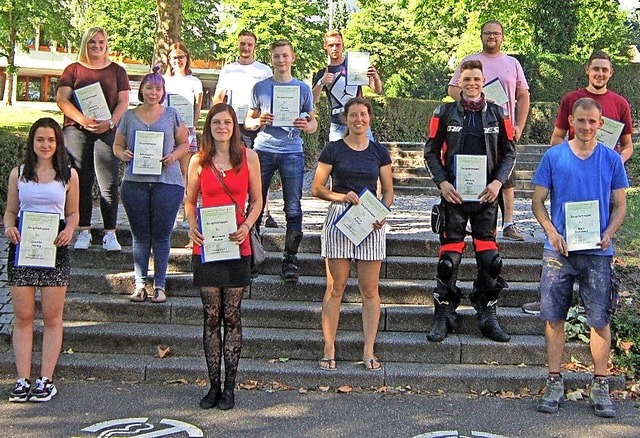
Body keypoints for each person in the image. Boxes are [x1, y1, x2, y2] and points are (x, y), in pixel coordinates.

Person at [532, 98, 627, 417]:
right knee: (553, 318)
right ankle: (554, 381)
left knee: (599, 320)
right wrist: (551, 232)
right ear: (571, 121)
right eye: (581, 121)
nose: (587, 127)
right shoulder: (553, 156)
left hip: (597, 252)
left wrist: (609, 232)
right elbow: (538, 203)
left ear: (601, 124)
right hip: (559, 251)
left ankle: (600, 383)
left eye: (593, 122)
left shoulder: (612, 159)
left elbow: (621, 205)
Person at [522, 50, 634, 316]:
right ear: (588, 70)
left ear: (611, 73)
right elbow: (557, 138)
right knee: (564, 243)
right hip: (572, 176)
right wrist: (574, 159)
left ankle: (589, 301)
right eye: (596, 69)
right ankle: (553, 301)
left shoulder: (620, 103)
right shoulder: (571, 99)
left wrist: (612, 161)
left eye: (605, 70)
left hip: (604, 178)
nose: (600, 74)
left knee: (597, 241)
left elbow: (628, 146)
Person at [424, 60, 516, 343]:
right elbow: (429, 152)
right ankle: (444, 312)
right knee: (447, 261)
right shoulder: (444, 112)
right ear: (460, 81)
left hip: (486, 198)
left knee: (491, 260)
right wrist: (442, 183)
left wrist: (497, 183)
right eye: (467, 79)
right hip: (453, 197)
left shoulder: (499, 114)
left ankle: (487, 312)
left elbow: (510, 154)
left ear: (484, 80)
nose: (472, 83)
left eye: (477, 78)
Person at [185, 103, 262, 410]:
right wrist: (191, 225)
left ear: (234, 125)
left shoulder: (248, 157)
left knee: (232, 316)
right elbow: (190, 202)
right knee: (210, 318)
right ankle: (212, 385)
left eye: (227, 122)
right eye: (216, 122)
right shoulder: (198, 161)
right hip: (206, 245)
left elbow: (257, 200)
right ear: (209, 127)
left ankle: (230, 387)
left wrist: (246, 225)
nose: (222, 127)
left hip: (236, 245)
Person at [311, 97, 393, 371]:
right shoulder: (333, 150)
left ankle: (369, 348)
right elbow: (317, 188)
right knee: (335, 287)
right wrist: (340, 196)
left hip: (370, 223)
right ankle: (328, 346)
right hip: (339, 219)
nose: (358, 119)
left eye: (363, 115)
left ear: (369, 118)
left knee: (370, 290)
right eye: (353, 115)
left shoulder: (379, 151)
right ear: (346, 119)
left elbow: (389, 190)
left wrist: (383, 211)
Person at [4, 118, 79, 402]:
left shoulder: (68, 175)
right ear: (32, 143)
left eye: (51, 140)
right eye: (40, 140)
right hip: (23, 250)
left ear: (58, 143)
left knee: (52, 317)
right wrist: (10, 227)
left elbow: (72, 214)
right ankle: (22, 379)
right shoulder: (19, 173)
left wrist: (70, 230)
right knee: (23, 317)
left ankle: (45, 379)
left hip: (54, 249)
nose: (45, 145)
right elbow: (11, 211)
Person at [113, 66, 189, 303]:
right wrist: (122, 154)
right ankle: (139, 285)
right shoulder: (128, 116)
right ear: (141, 90)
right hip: (135, 183)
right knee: (140, 235)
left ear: (163, 92)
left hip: (167, 183)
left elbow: (185, 143)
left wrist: (173, 157)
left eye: (158, 88)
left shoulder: (172, 114)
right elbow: (117, 146)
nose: (153, 92)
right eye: (149, 88)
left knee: (162, 235)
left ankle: (160, 285)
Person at [448, 20, 530, 241]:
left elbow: (523, 96)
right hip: (471, 126)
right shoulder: (470, 61)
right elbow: (453, 88)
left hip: (503, 127)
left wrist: (519, 125)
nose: (491, 37)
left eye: (496, 33)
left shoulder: (512, 63)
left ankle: (509, 223)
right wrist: (475, 101)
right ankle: (466, 221)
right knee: (471, 170)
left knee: (506, 177)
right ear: (481, 36)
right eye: (487, 33)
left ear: (502, 36)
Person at [244, 39, 317, 283]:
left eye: (285, 55)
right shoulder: (261, 87)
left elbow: (313, 124)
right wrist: (259, 121)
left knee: (293, 207)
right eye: (277, 56)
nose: (281, 60)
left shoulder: (303, 89)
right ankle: (251, 255)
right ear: (272, 59)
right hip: (263, 149)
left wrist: (307, 125)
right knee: (255, 202)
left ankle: (290, 260)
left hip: (292, 150)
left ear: (292, 58)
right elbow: (247, 122)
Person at [56, 26, 130, 251]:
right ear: (85, 44)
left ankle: (110, 233)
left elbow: (123, 102)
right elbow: (62, 99)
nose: (97, 46)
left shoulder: (117, 70)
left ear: (106, 44)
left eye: (101, 42)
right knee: (81, 181)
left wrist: (110, 123)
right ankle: (83, 231)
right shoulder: (73, 70)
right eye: (92, 43)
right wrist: (82, 119)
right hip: (77, 130)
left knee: (108, 183)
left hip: (107, 131)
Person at [214, 31, 278, 228]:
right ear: (238, 45)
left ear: (255, 47)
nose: (246, 48)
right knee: (236, 168)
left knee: (259, 169)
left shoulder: (264, 70)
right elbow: (218, 98)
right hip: (235, 127)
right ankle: (235, 208)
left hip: (259, 125)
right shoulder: (228, 70)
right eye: (242, 44)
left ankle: (265, 211)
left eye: (249, 44)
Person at [312, 30, 383, 141]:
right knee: (336, 158)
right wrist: (321, 82)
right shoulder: (323, 73)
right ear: (325, 46)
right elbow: (313, 100)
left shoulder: (355, 66)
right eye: (331, 45)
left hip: (360, 122)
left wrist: (376, 77)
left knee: (368, 157)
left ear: (343, 46)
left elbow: (377, 90)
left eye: (338, 45)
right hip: (338, 125)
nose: (334, 48)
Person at [164, 42, 204, 227]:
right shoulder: (163, 81)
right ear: (169, 60)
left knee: (185, 173)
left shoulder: (194, 82)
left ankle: (187, 215)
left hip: (187, 132)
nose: (178, 60)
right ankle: (170, 214)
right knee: (167, 173)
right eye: (174, 57)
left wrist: (192, 125)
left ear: (187, 58)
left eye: (181, 56)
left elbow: (197, 106)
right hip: (166, 132)